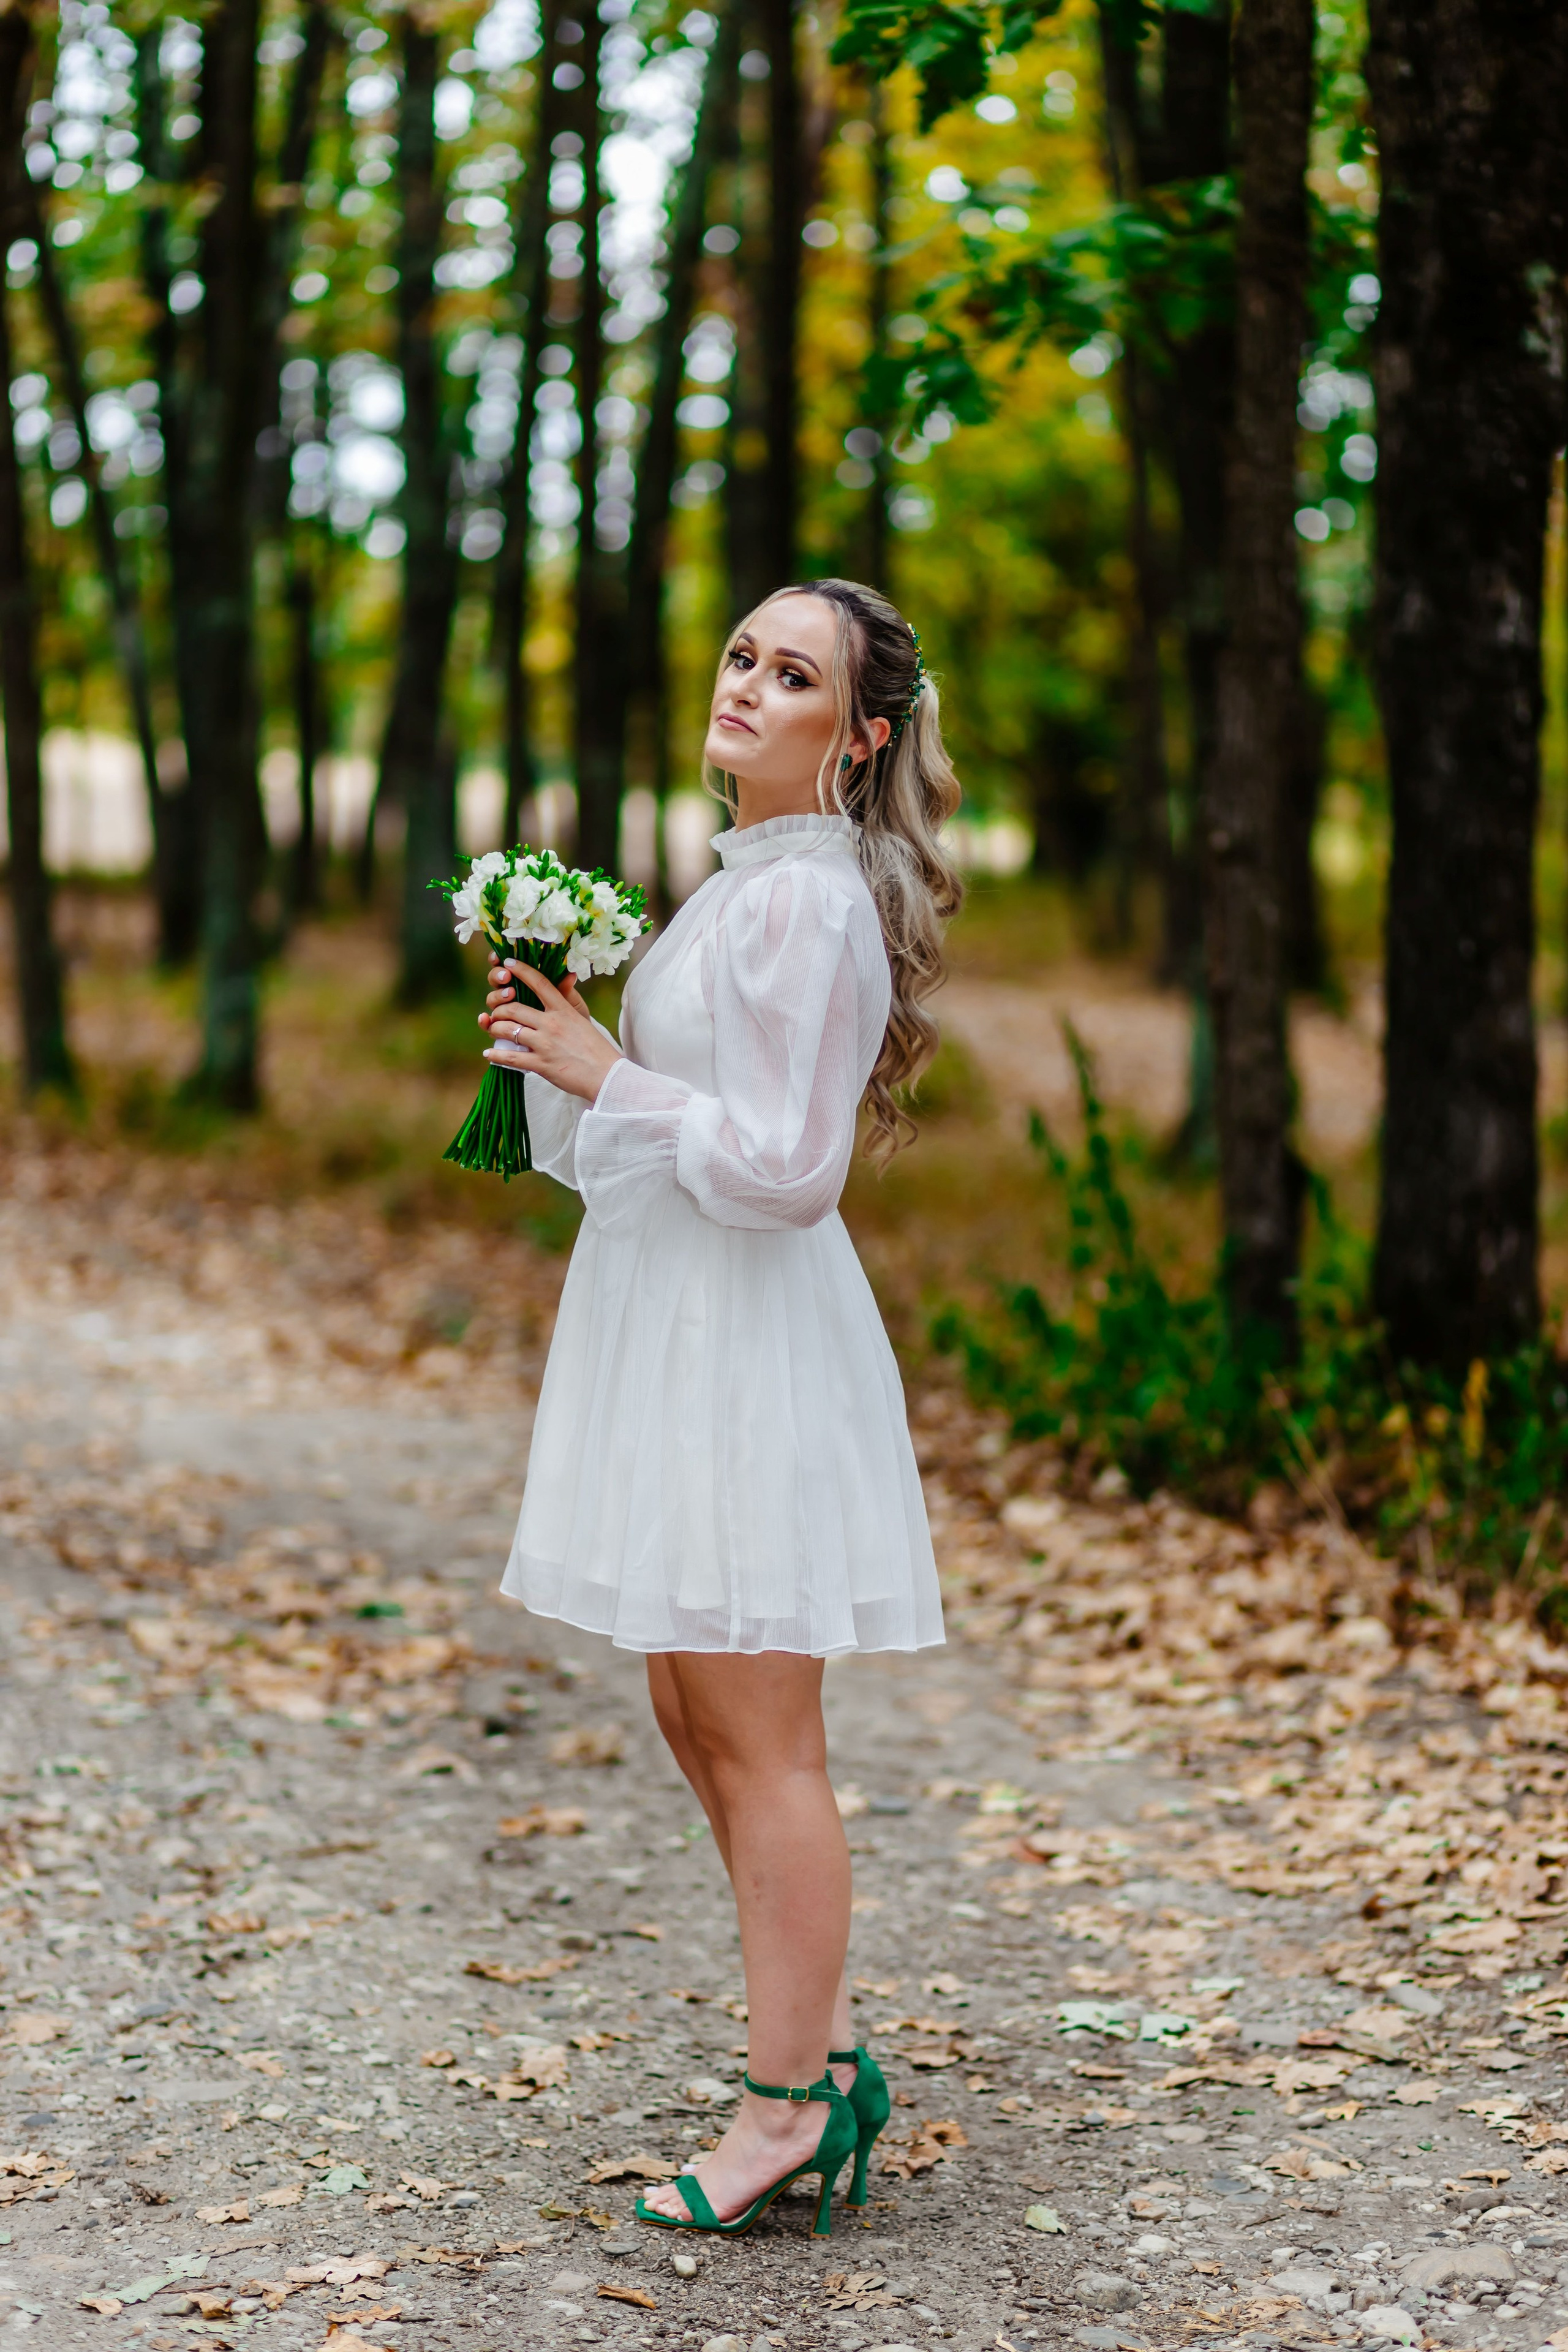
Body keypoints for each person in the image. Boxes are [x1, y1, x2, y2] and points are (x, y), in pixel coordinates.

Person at [478, 578, 962, 2239]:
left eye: (796, 673)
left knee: (762, 1741)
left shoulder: (807, 904)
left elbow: (790, 1170)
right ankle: (820, 2060)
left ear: (861, 732)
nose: (749, 685)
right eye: (744, 656)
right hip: (676, 1320)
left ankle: (784, 2115)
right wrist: (558, 1069)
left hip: (752, 1344)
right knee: (698, 1715)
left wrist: (616, 1076)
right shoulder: (736, 887)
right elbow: (678, 1139)